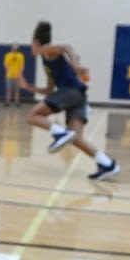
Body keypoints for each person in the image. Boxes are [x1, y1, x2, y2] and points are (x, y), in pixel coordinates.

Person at [17, 20, 120, 181]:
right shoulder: (47, 60)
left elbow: (67, 47)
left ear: (36, 42)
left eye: (31, 43)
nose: (31, 47)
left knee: (32, 116)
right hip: (78, 96)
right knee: (76, 138)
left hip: (70, 91)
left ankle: (60, 133)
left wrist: (76, 65)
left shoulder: (46, 50)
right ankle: (107, 164)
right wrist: (28, 87)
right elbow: (49, 90)